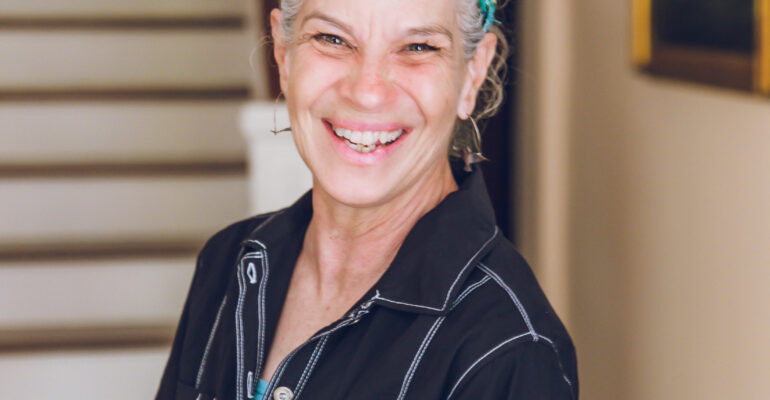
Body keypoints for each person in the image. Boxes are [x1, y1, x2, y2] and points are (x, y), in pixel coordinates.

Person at [156, 0, 578, 398]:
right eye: (332, 39)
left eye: (418, 47)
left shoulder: (510, 349)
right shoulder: (228, 262)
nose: (367, 92)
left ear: (472, 73)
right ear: (284, 54)